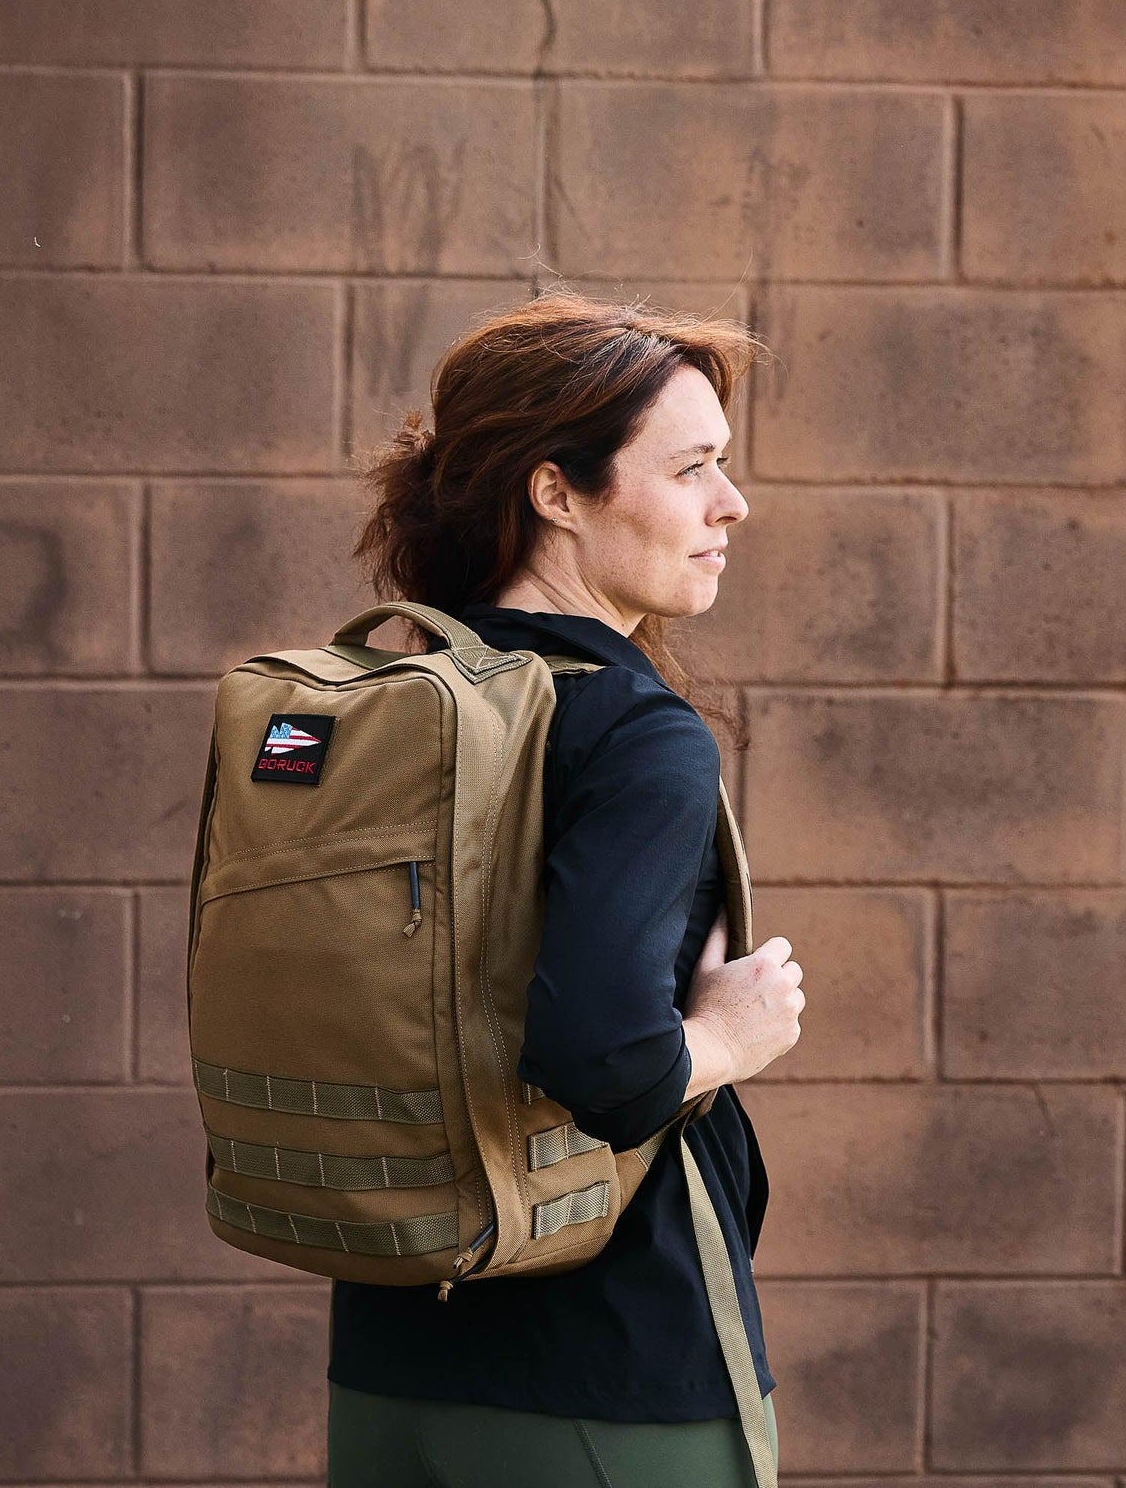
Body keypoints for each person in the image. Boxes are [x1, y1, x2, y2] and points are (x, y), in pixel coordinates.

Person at [326, 286, 807, 1487]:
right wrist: (730, 1037)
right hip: (610, 1374)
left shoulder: (390, 703)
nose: (730, 503)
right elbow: (609, 1063)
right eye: (692, 467)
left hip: (394, 1360)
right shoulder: (635, 733)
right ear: (556, 493)